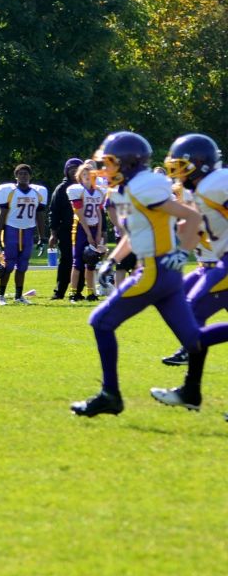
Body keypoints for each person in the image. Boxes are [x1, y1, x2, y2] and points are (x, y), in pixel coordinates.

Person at [72, 131, 228, 417]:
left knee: (100, 322)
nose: (105, 169)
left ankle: (110, 395)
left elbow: (190, 218)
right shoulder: (130, 190)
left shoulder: (148, 187)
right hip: (166, 271)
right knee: (193, 339)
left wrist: (182, 251)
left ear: (128, 163)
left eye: (110, 163)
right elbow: (137, 233)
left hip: (155, 270)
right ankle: (189, 392)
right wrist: (113, 260)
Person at [157, 134, 228, 368]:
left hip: (217, 262)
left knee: (191, 308)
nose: (177, 173)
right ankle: (190, 377)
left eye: (182, 166)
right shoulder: (199, 189)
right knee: (179, 301)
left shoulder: (216, 184)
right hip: (211, 261)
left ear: (200, 163)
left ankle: (189, 361)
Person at [0, 164, 47, 305]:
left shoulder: (37, 193)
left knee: (23, 265)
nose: (23, 176)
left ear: (30, 176)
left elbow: (39, 216)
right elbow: (2, 214)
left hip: (28, 231)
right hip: (11, 230)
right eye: (21, 174)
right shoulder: (10, 192)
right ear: (16, 176)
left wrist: (42, 237)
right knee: (8, 265)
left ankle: (18, 296)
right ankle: (1, 295)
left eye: (26, 174)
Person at [67, 162, 108, 302]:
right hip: (81, 228)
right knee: (78, 261)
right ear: (79, 177)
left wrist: (98, 232)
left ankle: (91, 292)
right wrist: (89, 234)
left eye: (90, 174)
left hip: (95, 227)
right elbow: (79, 214)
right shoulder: (77, 190)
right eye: (84, 174)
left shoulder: (99, 191)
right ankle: (73, 293)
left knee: (92, 261)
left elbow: (99, 213)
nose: (87, 176)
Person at [48, 158, 82, 299]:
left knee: (82, 260)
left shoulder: (86, 187)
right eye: (71, 169)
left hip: (83, 230)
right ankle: (59, 291)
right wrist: (53, 233)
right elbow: (54, 212)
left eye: (77, 169)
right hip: (66, 230)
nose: (74, 172)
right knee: (66, 259)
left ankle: (78, 291)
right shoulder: (61, 189)